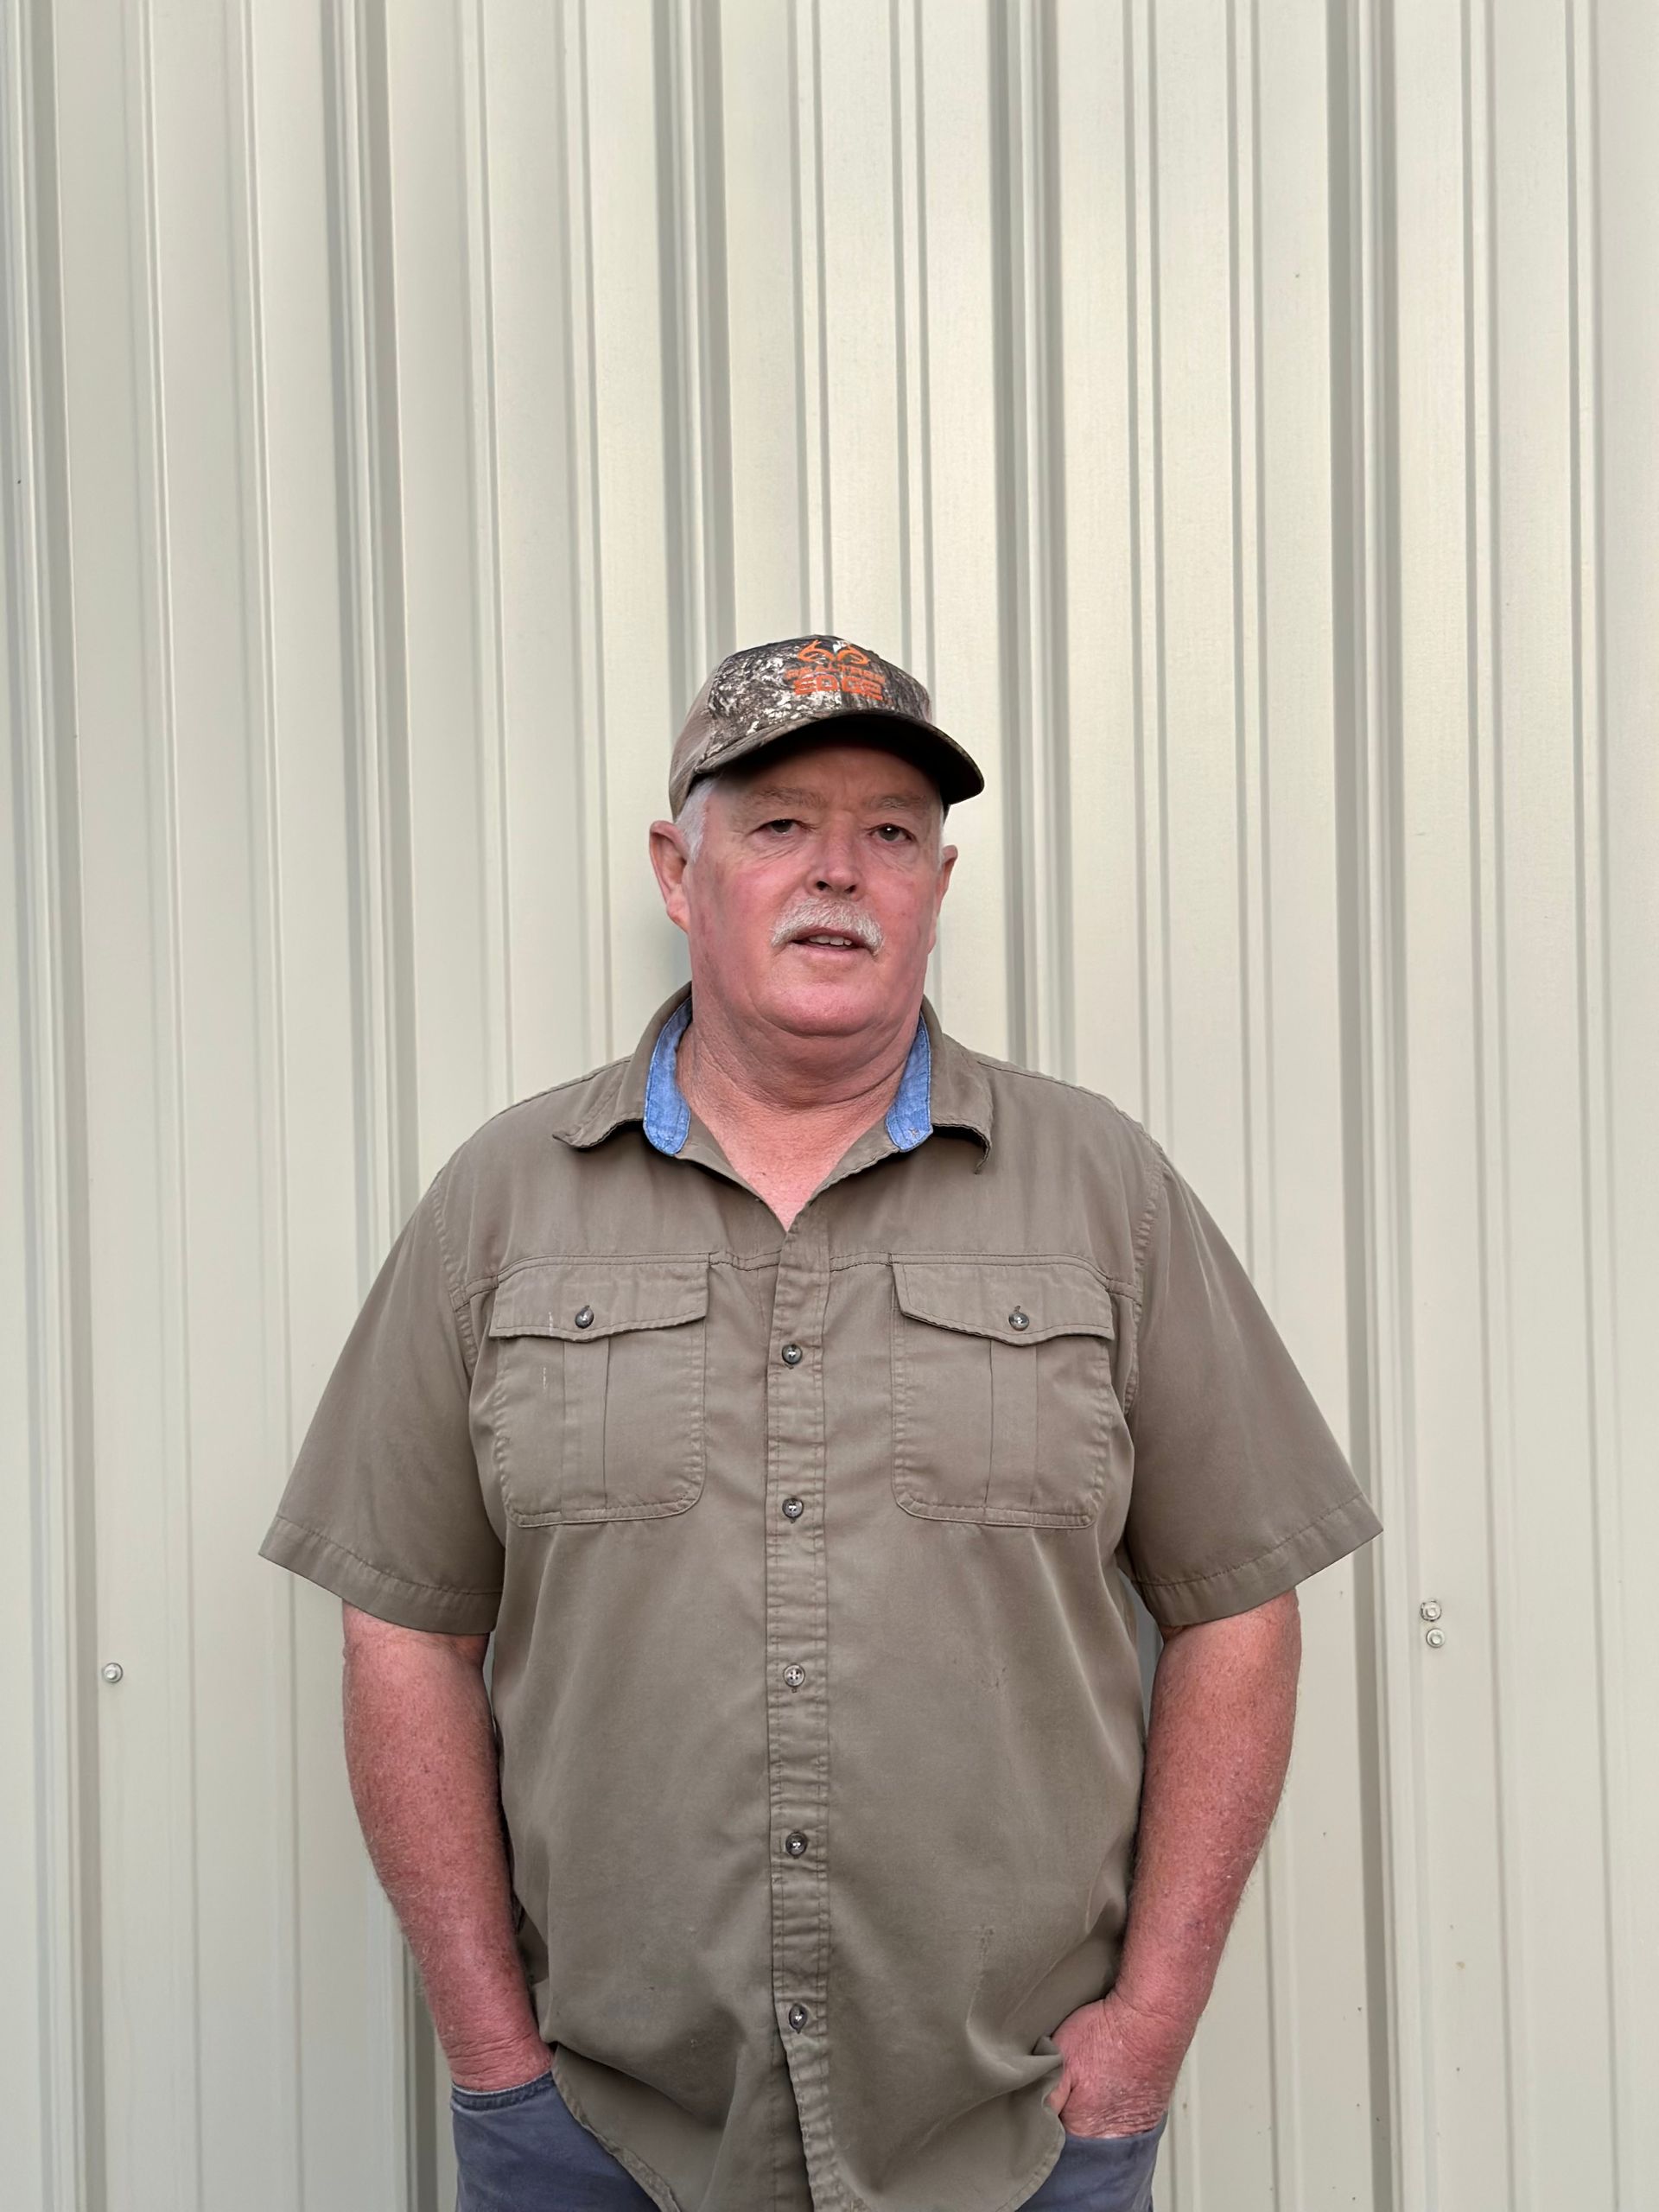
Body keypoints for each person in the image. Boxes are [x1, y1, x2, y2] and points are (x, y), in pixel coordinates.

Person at [259, 634, 1382, 2212]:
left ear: (936, 879)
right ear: (679, 865)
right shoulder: (500, 1208)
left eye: (891, 833)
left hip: (1017, 2138)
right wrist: (492, 2058)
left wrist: (1149, 2030)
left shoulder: (1103, 1196)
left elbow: (1241, 1611)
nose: (838, 873)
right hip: (603, 2134)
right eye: (780, 823)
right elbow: (404, 1635)